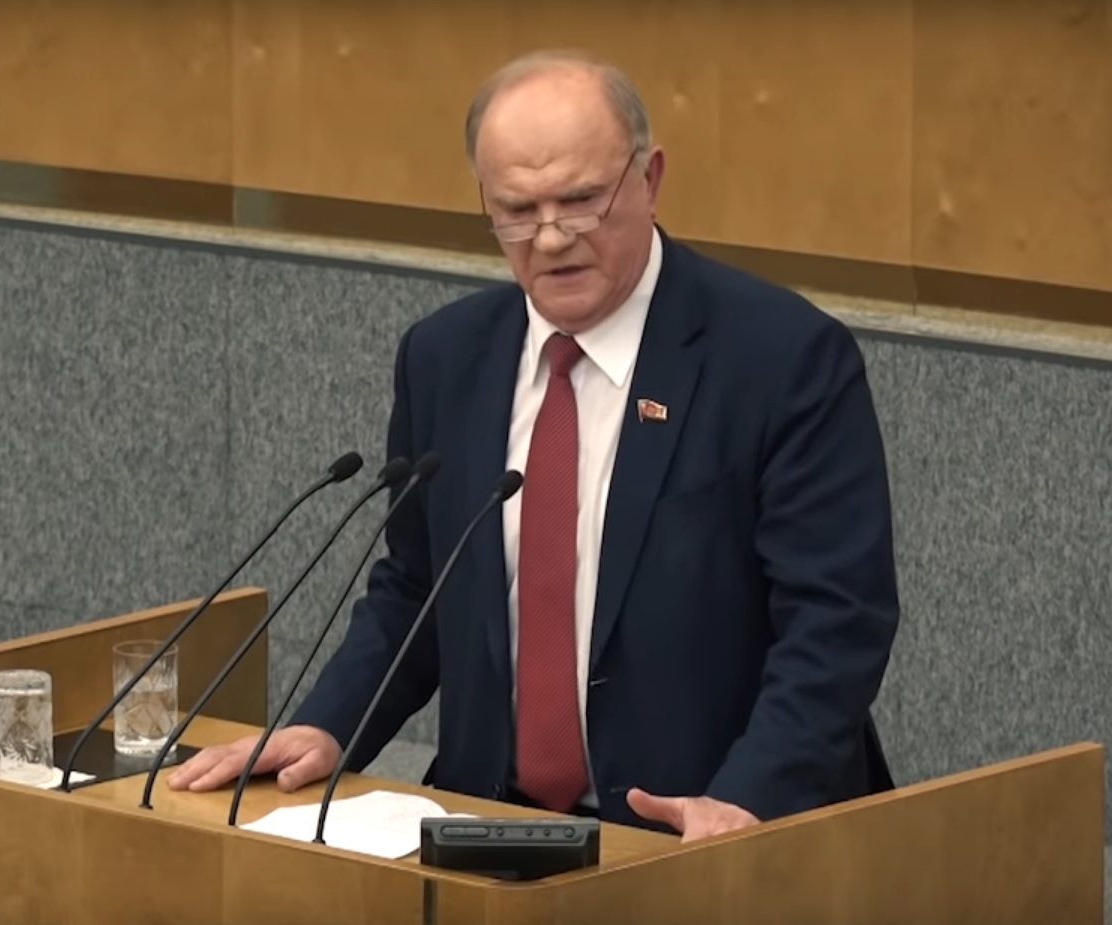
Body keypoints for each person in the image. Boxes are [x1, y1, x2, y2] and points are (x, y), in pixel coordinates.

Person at [169, 49, 900, 843]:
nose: (550, 238)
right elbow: (418, 584)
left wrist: (749, 798)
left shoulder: (779, 358)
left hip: (706, 832)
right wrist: (329, 723)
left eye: (581, 201)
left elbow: (836, 619)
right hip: (492, 829)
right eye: (517, 210)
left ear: (649, 179)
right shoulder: (445, 357)